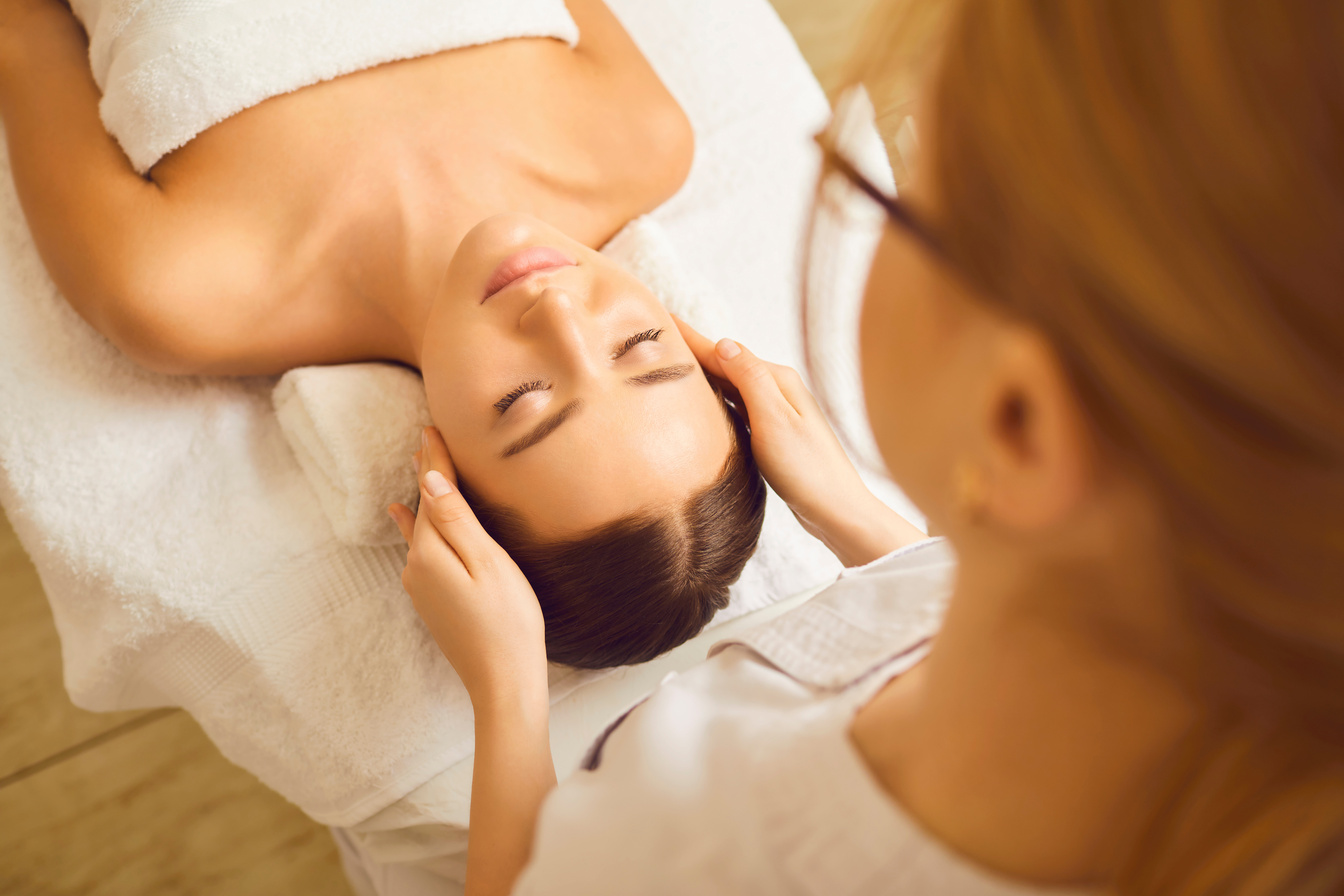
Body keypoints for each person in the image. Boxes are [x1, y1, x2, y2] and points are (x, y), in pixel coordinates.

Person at [390, 0, 1344, 893]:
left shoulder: (695, 846)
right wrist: (859, 518)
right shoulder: (1141, 620)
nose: (559, 312)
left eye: (913, 195)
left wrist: (506, 689)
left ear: (1017, 421)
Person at [0, 0, 772, 668]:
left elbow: (24, 25)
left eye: (524, 401)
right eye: (642, 347)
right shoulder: (636, 138)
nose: (559, 312)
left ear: (445, 484)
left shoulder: (178, 292)